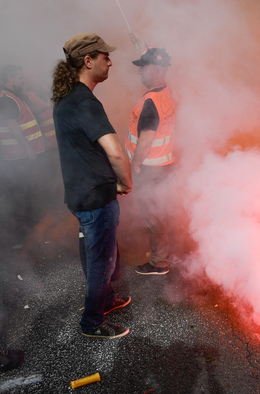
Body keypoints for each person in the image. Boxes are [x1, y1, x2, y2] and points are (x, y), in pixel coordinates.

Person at [52, 33, 133, 339]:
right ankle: (92, 322)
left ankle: (106, 300)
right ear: (88, 61)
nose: (110, 61)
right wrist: (126, 182)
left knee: (99, 253)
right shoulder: (84, 101)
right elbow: (114, 151)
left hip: (83, 194)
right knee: (102, 260)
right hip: (95, 197)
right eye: (105, 57)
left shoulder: (68, 97)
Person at [125, 48, 177, 275]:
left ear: (156, 70)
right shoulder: (164, 92)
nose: (139, 73)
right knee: (159, 212)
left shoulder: (150, 102)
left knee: (153, 215)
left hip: (150, 167)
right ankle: (162, 254)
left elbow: (145, 139)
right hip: (162, 164)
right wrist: (142, 45)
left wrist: (135, 165)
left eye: (142, 68)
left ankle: (159, 262)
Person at [0, 65, 47, 247]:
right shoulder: (7, 98)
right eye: (20, 77)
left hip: (19, 157)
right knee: (20, 197)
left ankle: (25, 235)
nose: (23, 81)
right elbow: (13, 125)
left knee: (25, 195)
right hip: (18, 158)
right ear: (11, 78)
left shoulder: (13, 97)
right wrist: (28, 149)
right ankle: (19, 239)